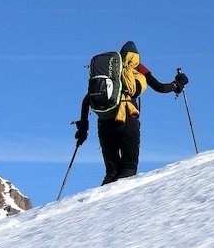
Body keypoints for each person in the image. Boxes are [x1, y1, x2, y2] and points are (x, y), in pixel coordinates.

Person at [75, 41, 188, 185]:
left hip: (104, 121)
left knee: (112, 170)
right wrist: (178, 84)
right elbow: (160, 87)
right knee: (128, 166)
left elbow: (87, 99)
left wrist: (83, 129)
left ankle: (101, 204)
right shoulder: (138, 67)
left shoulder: (111, 72)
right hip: (128, 119)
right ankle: (121, 206)